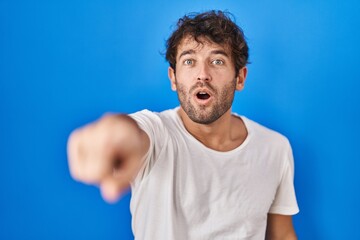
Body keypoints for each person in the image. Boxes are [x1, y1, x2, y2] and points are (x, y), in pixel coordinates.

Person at [67, 10, 299, 240]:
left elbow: (282, 234)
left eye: (217, 61)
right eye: (189, 61)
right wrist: (116, 133)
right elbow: (133, 133)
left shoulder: (275, 148)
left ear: (239, 78)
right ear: (173, 78)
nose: (202, 74)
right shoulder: (156, 133)